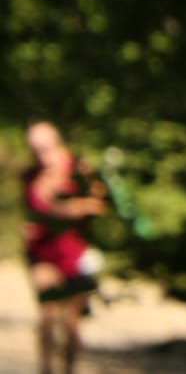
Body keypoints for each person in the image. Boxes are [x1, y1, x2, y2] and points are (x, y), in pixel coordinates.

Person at [20, 120, 108, 374]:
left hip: (75, 249)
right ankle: (45, 369)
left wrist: (69, 209)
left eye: (45, 148)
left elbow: (99, 204)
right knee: (47, 314)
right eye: (36, 149)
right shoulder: (31, 175)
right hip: (43, 250)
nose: (41, 154)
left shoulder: (80, 169)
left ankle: (68, 368)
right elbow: (32, 208)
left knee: (71, 322)